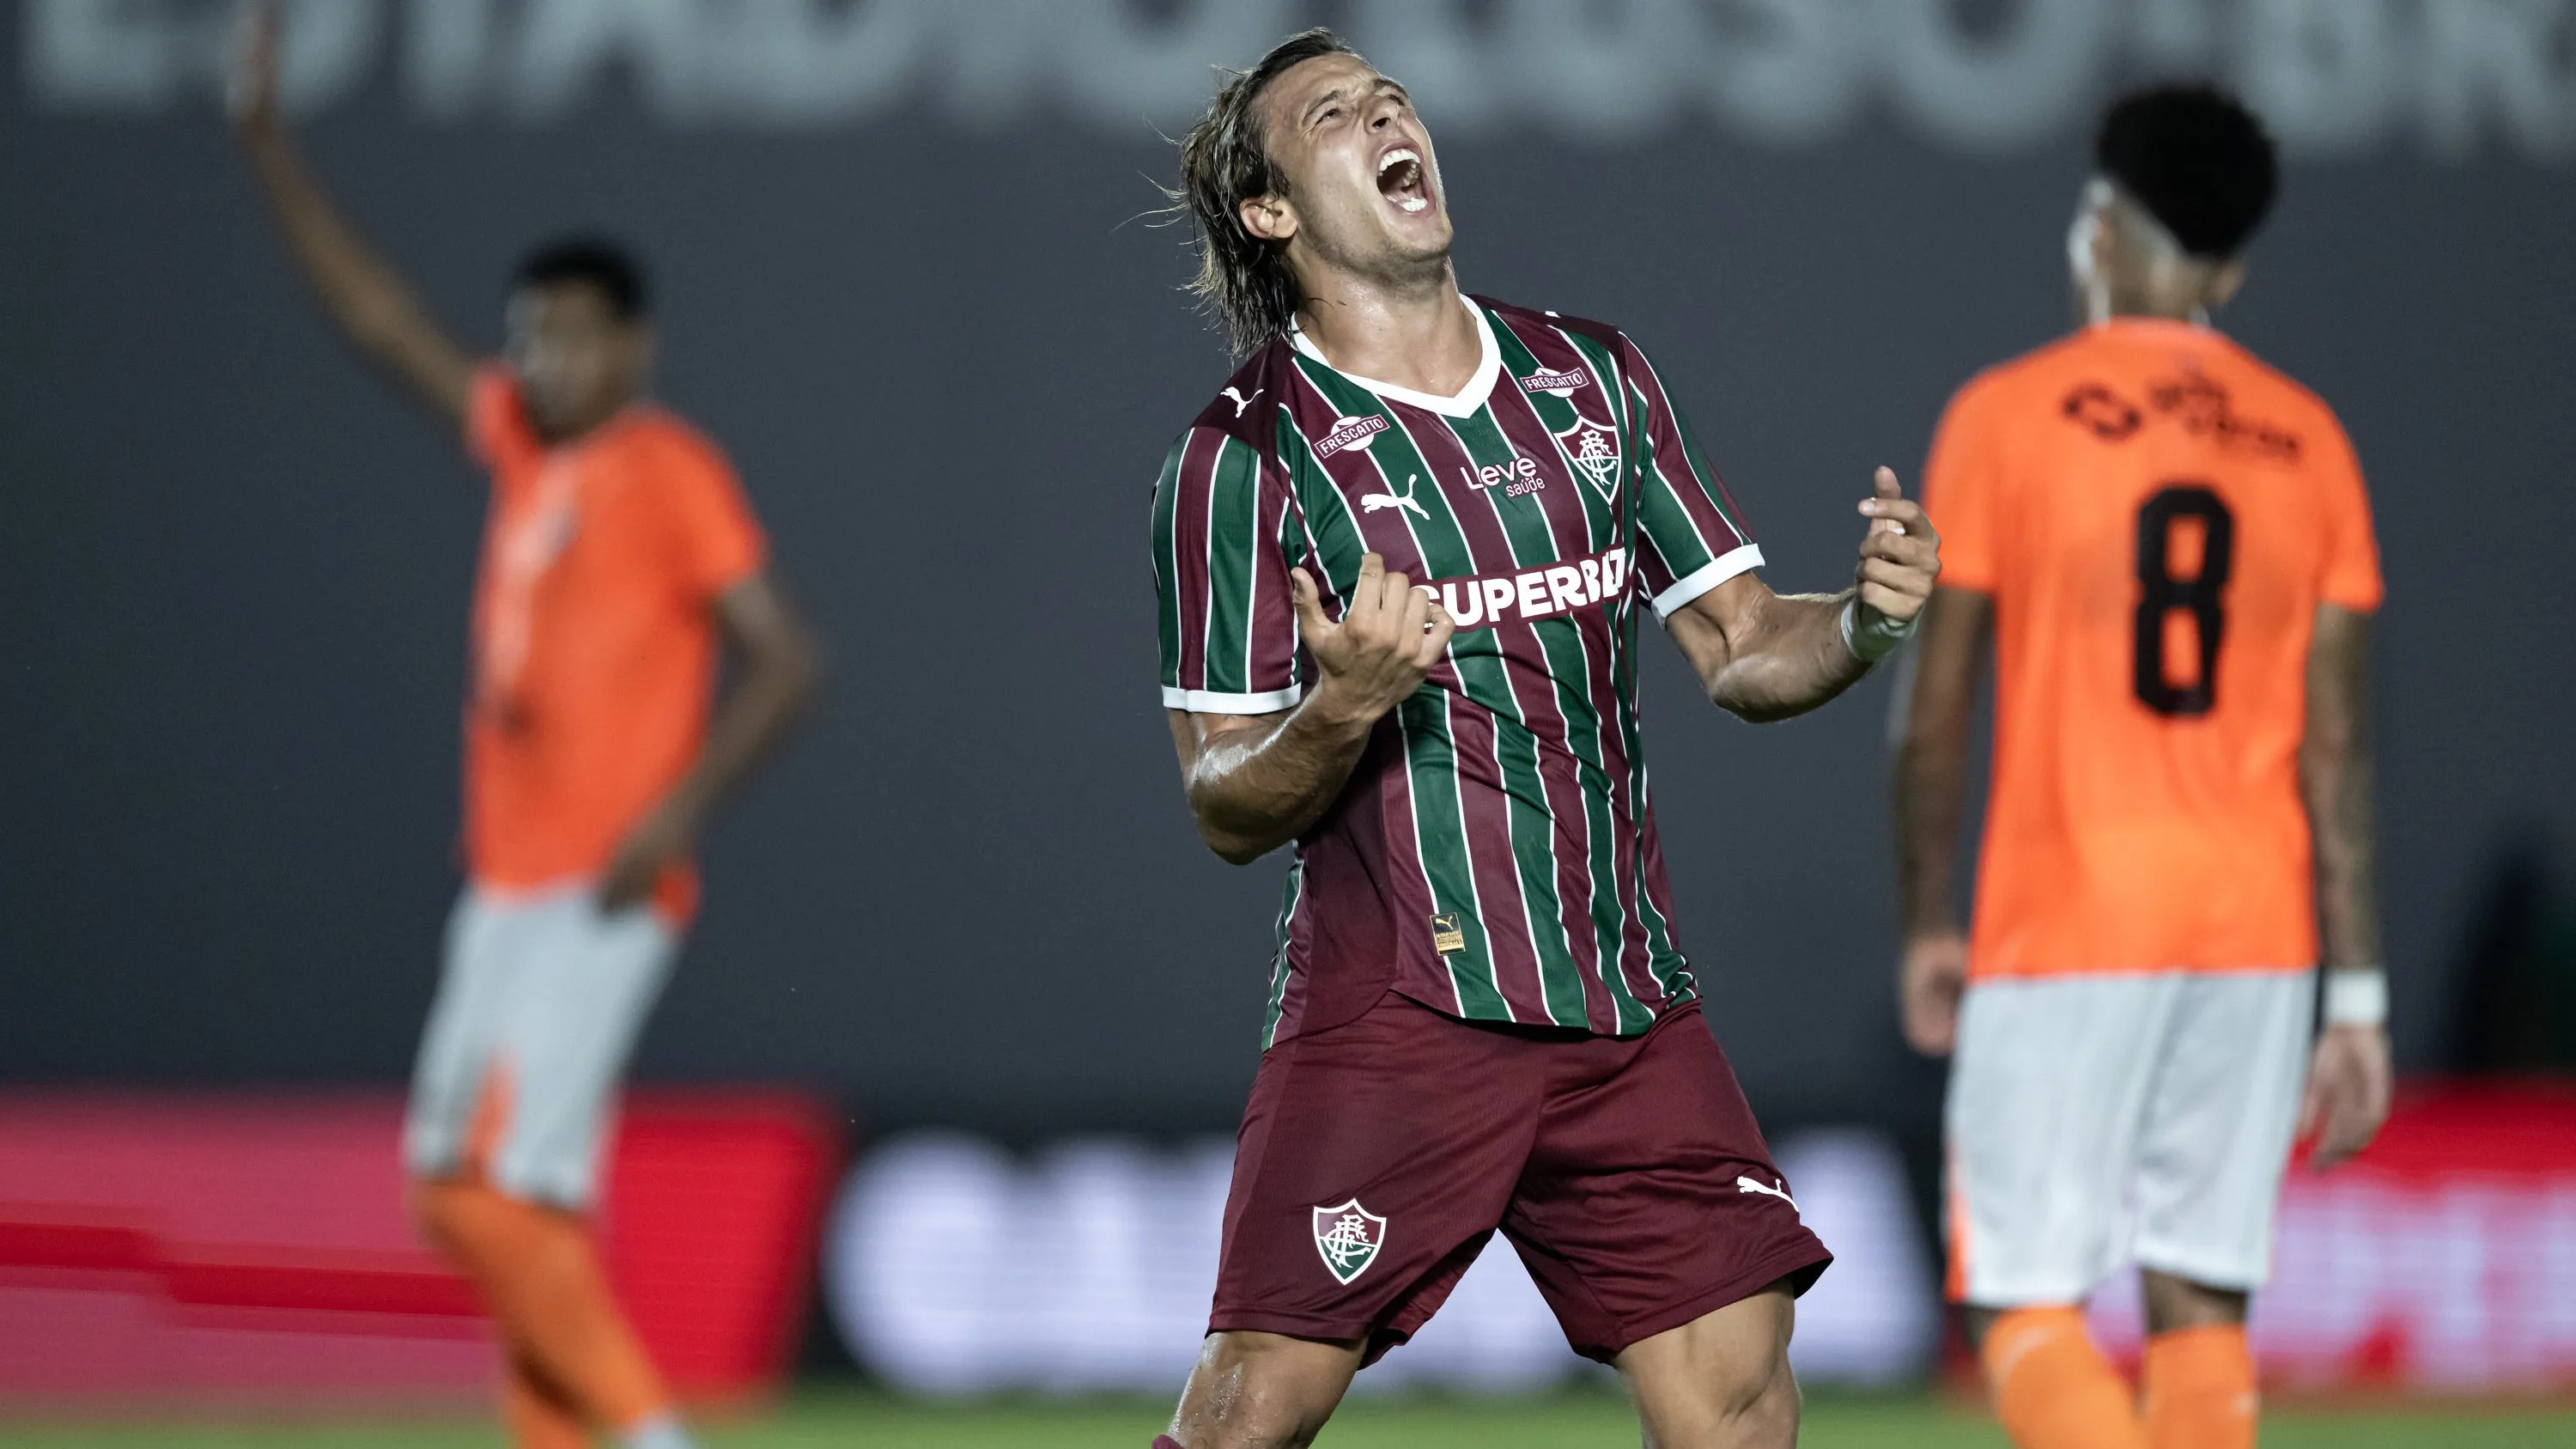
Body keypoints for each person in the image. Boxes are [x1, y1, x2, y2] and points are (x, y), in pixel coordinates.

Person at [1146, 29, 1942, 1449]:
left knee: (1744, 1400)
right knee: (1251, 1412)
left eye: (1391, 96)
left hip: (1623, 1003)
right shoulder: (1244, 458)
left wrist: (1866, 626)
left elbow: (1746, 646)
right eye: (1334, 114)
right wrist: (1340, 704)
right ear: (1270, 209)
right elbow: (1219, 799)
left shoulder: (1595, 380)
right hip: (1401, 1012)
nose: (1388, 115)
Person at [228, 11, 818, 1449]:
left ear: (632, 343)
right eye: (526, 335)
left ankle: (643, 1432)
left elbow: (787, 659)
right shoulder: (516, 443)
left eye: (568, 334)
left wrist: (673, 816)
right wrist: (265, 143)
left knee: (474, 1189)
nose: (540, 359)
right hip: (507, 879)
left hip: (595, 883)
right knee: (511, 1200)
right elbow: (378, 322)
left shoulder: (665, 469)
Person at [1891, 85, 2392, 1449]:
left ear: (2099, 231)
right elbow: (2337, 750)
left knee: (2019, 1302)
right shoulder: (2313, 442)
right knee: (2201, 1302)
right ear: (2228, 266)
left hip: (2068, 915)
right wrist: (2358, 993)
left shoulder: (2007, 417)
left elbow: (1933, 714)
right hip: (2257, 926)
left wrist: (1931, 917)